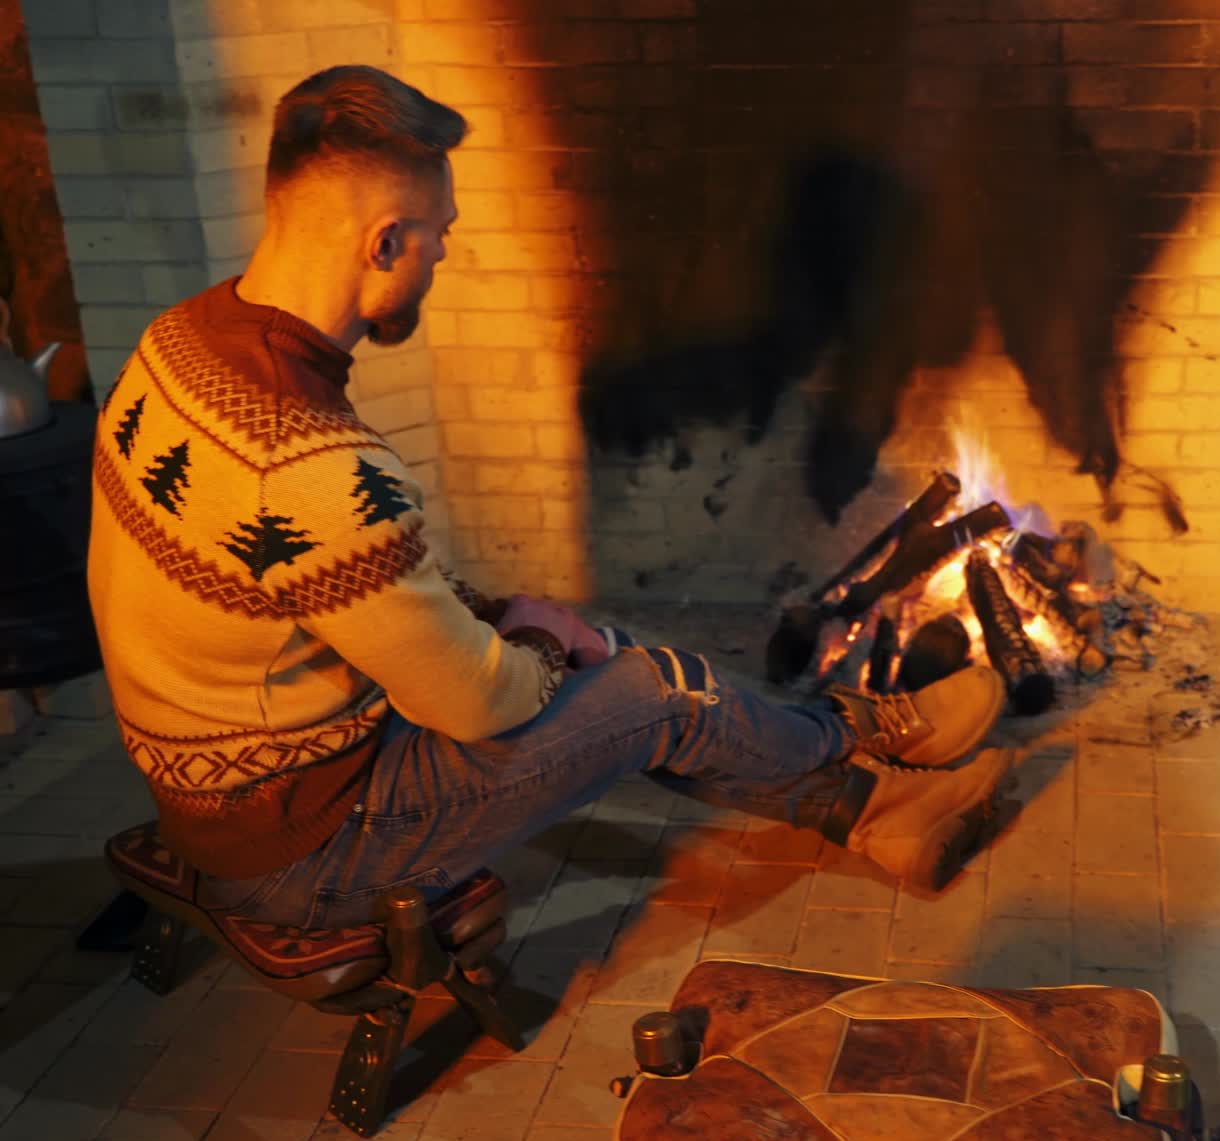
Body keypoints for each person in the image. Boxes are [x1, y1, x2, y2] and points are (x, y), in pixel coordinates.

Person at [87, 65, 1013, 932]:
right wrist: (536, 636)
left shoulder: (180, 344)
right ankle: (862, 739)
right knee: (649, 691)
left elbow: (332, 584)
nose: (444, 257)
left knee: (596, 650)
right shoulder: (308, 463)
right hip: (309, 846)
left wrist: (528, 629)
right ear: (385, 244)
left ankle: (875, 806)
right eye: (440, 236)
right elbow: (479, 705)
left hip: (229, 792)